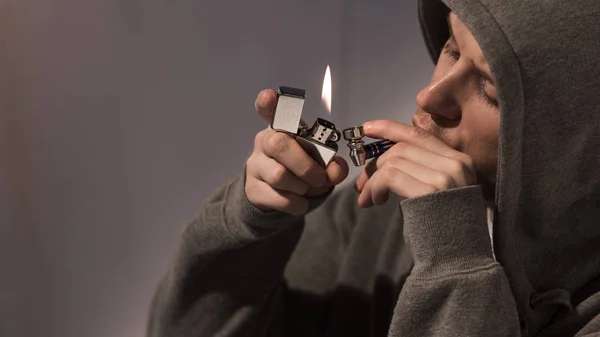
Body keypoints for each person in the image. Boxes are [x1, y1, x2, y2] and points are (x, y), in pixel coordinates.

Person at [147, 0, 600, 336]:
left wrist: (453, 263)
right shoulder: (367, 222)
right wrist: (248, 227)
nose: (430, 97)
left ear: (568, 141)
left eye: (489, 88)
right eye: (450, 48)